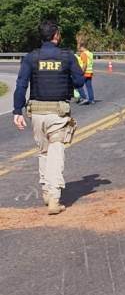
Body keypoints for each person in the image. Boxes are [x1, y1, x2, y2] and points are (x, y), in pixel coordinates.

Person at [12, 20, 85, 215]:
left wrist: (17, 111)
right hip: (58, 113)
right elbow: (79, 82)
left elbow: (21, 86)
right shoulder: (67, 56)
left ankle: (45, 190)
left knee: (44, 152)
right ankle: (54, 198)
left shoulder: (31, 57)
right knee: (56, 151)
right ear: (56, 36)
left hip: (36, 113)